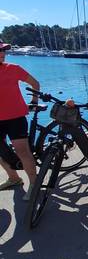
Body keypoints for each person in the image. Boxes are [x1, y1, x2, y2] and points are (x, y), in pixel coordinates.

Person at [0, 39, 39, 199]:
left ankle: (34, 184)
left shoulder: (13, 69)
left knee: (22, 151)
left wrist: (34, 102)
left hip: (16, 118)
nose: (2, 54)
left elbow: (35, 83)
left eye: (3, 51)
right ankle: (14, 178)